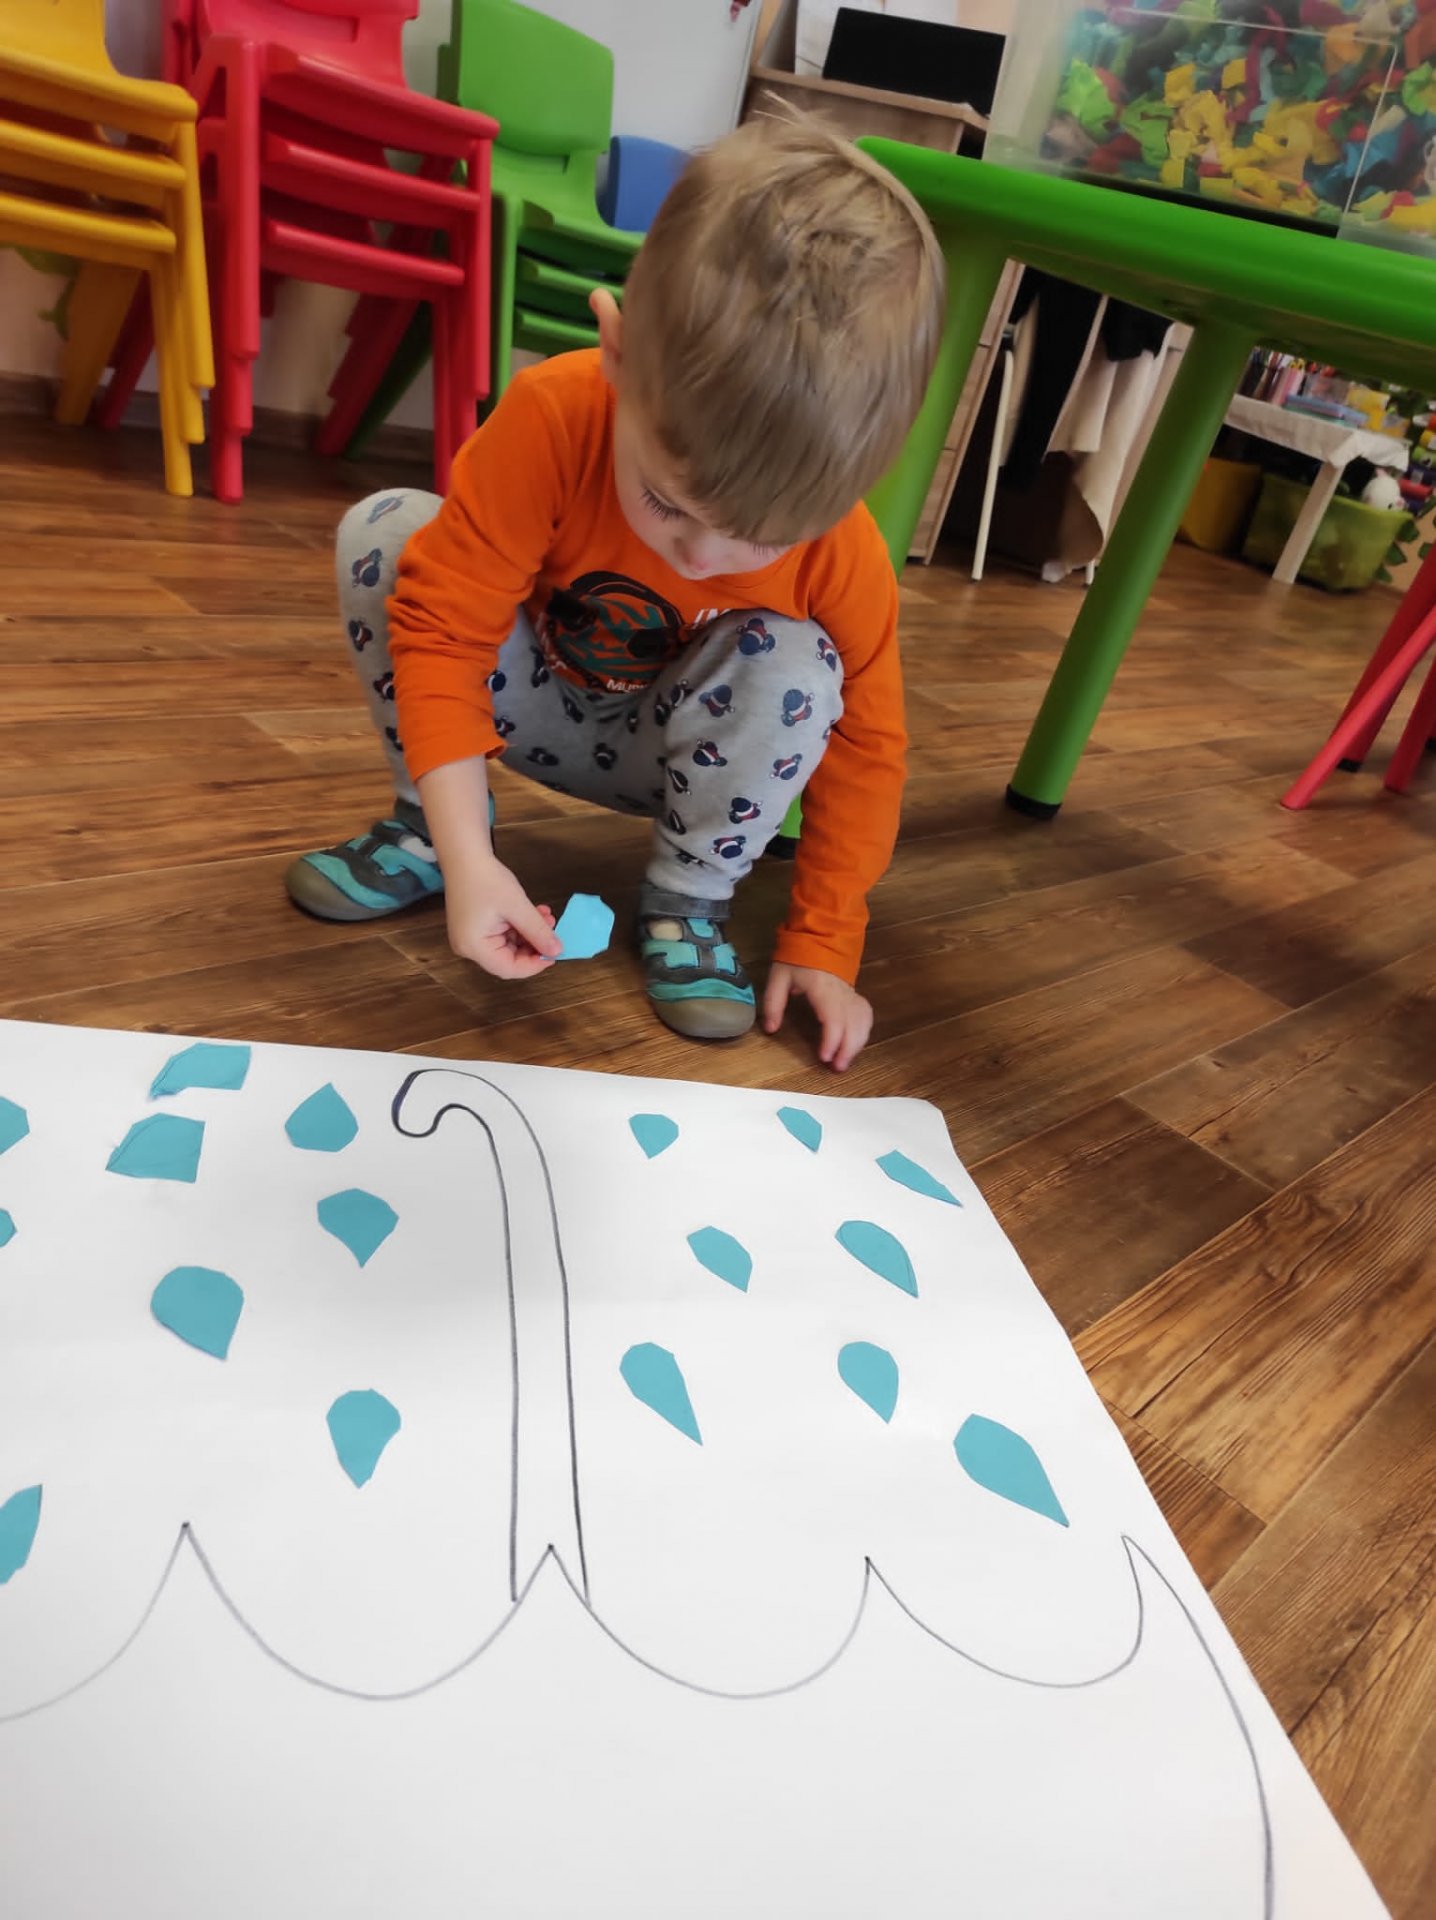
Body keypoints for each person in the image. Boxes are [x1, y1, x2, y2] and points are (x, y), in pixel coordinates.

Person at [285, 115, 944, 1072]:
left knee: (801, 660)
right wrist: (471, 861)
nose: (707, 558)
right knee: (388, 535)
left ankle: (689, 902)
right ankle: (431, 829)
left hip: (677, 761)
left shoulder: (846, 551)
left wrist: (825, 940)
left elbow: (869, 751)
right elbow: (443, 627)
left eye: (762, 538)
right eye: (667, 503)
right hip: (519, 708)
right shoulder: (553, 415)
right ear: (616, 353)